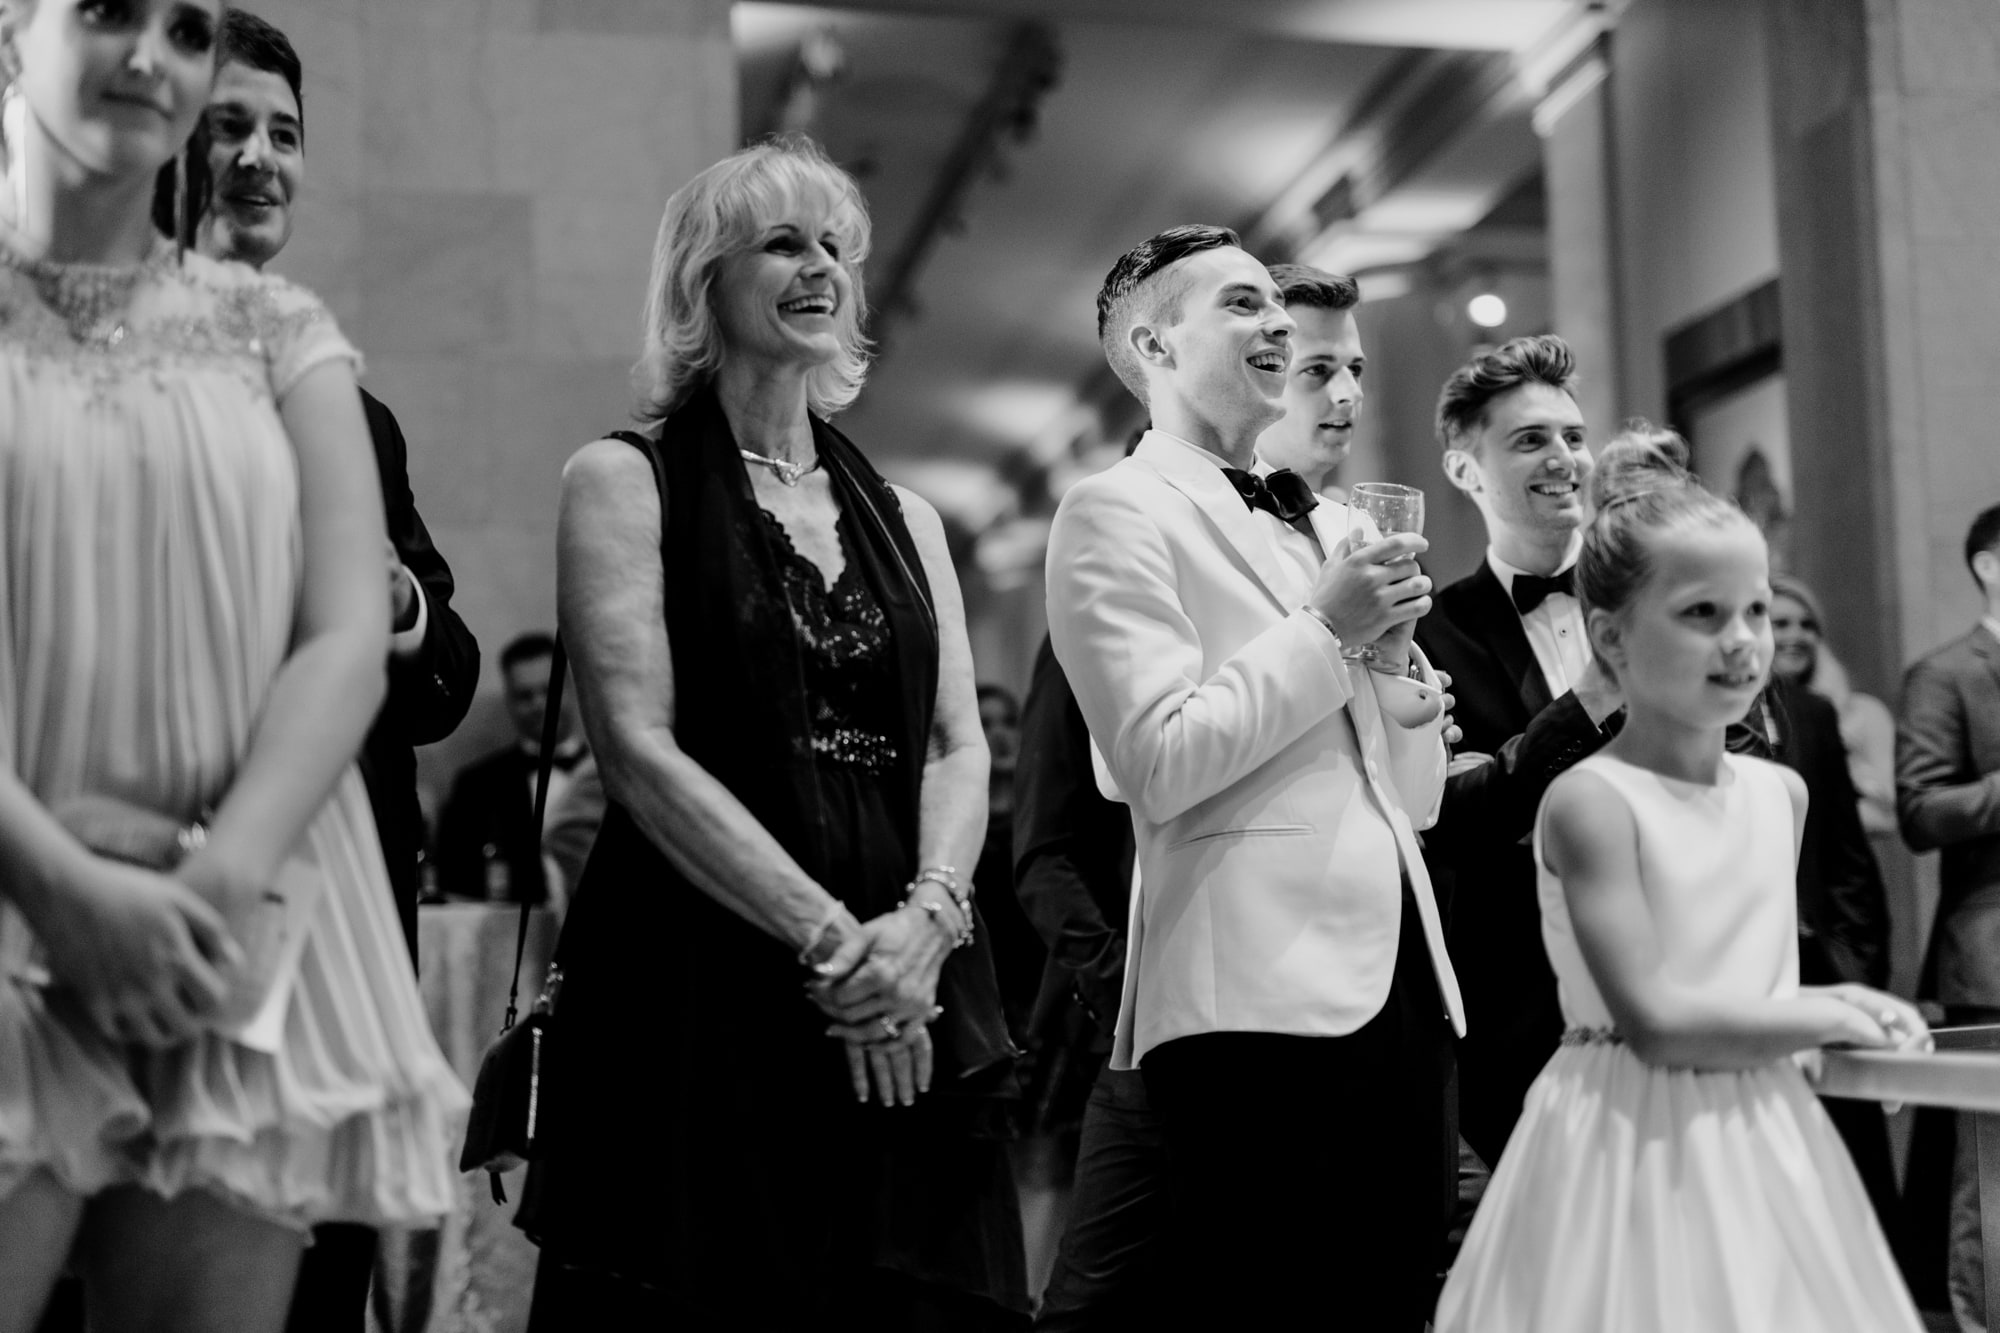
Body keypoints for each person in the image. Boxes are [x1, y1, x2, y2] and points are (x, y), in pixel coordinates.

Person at [0, 1, 467, 1329]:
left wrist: (211, 886)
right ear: (8, 37)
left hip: (233, 924)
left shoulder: (281, 333)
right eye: (105, 15)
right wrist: (72, 893)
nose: (151, 54)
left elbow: (344, 642)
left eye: (186, 28)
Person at [514, 136, 1028, 1329]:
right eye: (783, 243)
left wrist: (924, 928)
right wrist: (834, 946)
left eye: (837, 248)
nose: (821, 268)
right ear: (703, 280)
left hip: (912, 965)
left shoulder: (906, 514)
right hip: (706, 962)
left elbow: (959, 743)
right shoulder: (620, 478)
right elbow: (637, 751)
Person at [1045, 225, 1458, 1328]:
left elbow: (1408, 797)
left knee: (1395, 1296)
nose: (1274, 320)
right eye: (1238, 304)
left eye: (1273, 305)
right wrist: (1329, 631)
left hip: (1403, 974)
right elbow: (1158, 759)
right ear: (1152, 344)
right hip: (1251, 993)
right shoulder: (1110, 512)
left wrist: (1404, 685)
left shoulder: (1326, 518)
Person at [1433, 433, 1927, 1333]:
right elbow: (1656, 1021)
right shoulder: (1592, 801)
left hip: (1767, 1128)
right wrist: (1835, 1008)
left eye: (1757, 611)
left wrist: (1843, 1041)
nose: (1742, 643)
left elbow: (1757, 981)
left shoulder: (1783, 793)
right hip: (1627, 1137)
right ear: (1610, 635)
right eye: (1702, 613)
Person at [190, 19, 483, 1329]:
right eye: (229, 129)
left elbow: (442, 679)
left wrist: (397, 598)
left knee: (325, 1274)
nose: (260, 162)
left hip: (340, 907)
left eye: (285, 136)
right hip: (170, 882)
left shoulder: (351, 406)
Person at [1415, 335, 1625, 1169]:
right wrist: (1589, 703)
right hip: (1521, 1012)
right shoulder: (1429, 630)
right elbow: (1447, 814)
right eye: (1530, 439)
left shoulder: (1662, 597)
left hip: (1676, 973)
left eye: (1573, 436)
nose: (1564, 458)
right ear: (1466, 470)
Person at [1897, 501, 2000, 1333]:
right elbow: (1923, 810)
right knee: (1992, 1179)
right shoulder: (1946, 673)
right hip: (1992, 949)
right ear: (1990, 565)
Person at [434, 633, 581, 905]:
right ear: (509, 701)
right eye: (525, 696)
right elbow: (453, 881)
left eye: (548, 690)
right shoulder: (475, 786)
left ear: (571, 689)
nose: (538, 705)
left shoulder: (605, 775)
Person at [1773, 574, 1899, 836]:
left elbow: (1887, 816)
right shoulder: (1735, 718)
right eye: (1781, 624)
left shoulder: (1865, 714)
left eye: (1808, 625)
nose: (1796, 635)